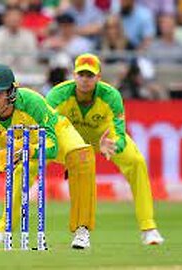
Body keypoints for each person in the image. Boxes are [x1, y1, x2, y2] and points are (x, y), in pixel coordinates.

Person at [0, 63, 97, 250]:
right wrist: (5, 158)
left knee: (81, 157)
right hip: (13, 146)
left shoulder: (32, 102)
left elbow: (52, 148)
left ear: (11, 92)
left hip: (53, 135)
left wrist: (29, 151)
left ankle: (82, 230)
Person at [46, 53, 164, 245]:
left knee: (136, 162)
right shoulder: (57, 95)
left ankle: (149, 228)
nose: (85, 80)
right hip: (71, 142)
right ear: (73, 76)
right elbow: (48, 128)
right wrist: (63, 151)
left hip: (105, 140)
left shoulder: (111, 96)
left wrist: (114, 145)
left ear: (98, 77)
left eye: (90, 75)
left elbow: (119, 132)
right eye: (81, 75)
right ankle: (5, 226)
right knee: (31, 159)